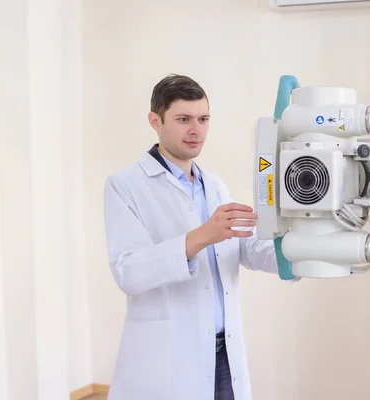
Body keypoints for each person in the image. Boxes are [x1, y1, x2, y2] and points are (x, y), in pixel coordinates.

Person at [103, 74, 283, 400]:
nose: (195, 130)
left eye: (203, 119)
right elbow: (128, 271)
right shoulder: (125, 185)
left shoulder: (213, 184)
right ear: (154, 121)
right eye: (183, 119)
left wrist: (303, 252)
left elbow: (249, 249)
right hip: (170, 359)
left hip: (223, 352)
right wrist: (201, 236)